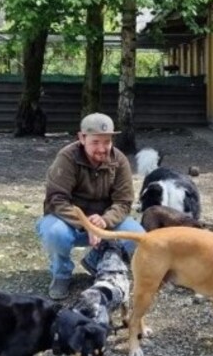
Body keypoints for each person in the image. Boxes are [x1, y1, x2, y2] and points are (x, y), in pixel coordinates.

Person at [36, 112, 144, 300]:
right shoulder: (67, 158)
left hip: (104, 221)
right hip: (69, 220)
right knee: (54, 233)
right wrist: (86, 224)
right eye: (95, 142)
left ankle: (94, 261)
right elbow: (56, 199)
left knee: (139, 237)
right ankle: (61, 274)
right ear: (82, 138)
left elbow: (124, 201)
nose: (102, 148)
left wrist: (104, 220)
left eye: (107, 142)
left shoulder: (119, 161)